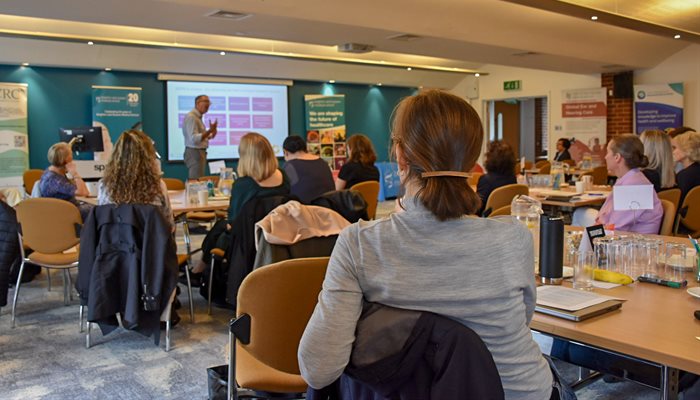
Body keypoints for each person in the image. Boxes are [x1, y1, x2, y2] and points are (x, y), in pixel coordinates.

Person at [298, 90, 554, 399]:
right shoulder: (514, 239)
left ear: (401, 157)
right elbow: (521, 322)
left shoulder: (360, 244)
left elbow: (319, 368)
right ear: (473, 162)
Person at [195, 132, 290, 275]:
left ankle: (199, 271)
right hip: (278, 235)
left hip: (246, 240)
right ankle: (199, 270)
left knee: (218, 228)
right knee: (219, 228)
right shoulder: (284, 177)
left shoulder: (243, 185)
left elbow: (233, 221)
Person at [573, 135, 663, 234]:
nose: (605, 157)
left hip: (630, 243)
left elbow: (614, 229)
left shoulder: (634, 188)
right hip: (621, 234)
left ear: (617, 157)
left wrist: (592, 231)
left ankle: (583, 248)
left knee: (579, 222)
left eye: (608, 152)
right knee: (579, 213)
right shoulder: (632, 179)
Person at [97, 130, 174, 230]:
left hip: (114, 243)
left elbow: (102, 221)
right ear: (148, 156)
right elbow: (169, 225)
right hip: (150, 243)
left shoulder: (105, 186)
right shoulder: (157, 186)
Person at [38, 141, 93, 220]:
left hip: (64, 210)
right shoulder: (54, 180)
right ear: (67, 160)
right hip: (65, 215)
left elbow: (84, 192)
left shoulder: (52, 172)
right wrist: (74, 173)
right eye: (71, 155)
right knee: (101, 212)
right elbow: (84, 192)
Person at [282, 135, 334, 203]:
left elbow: (283, 193)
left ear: (285, 152)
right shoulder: (323, 162)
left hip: (304, 210)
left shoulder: (289, 165)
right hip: (329, 209)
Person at [477, 140, 517, 215]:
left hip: (488, 223)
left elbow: (477, 209)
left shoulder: (485, 180)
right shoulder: (512, 178)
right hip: (507, 220)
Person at [182, 95, 218, 180]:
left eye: (209, 102)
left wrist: (213, 132)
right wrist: (209, 131)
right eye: (205, 101)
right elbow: (194, 139)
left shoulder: (198, 117)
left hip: (198, 152)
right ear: (197, 103)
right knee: (195, 181)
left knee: (199, 180)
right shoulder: (192, 117)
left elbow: (202, 137)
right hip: (194, 152)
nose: (208, 104)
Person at [672, 130, 700, 206]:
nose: (673, 152)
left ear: (687, 150)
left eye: (675, 148)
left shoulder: (684, 176)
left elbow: (679, 204)